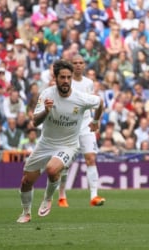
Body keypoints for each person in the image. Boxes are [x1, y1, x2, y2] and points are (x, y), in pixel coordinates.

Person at [16, 60, 104, 223]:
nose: (65, 81)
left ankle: (48, 198)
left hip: (68, 145)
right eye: (62, 77)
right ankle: (26, 212)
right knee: (26, 182)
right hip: (45, 144)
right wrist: (46, 111)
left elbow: (100, 102)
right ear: (55, 78)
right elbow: (35, 122)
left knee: (52, 169)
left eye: (68, 77)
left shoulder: (81, 98)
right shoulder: (47, 95)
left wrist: (96, 121)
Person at [56, 55, 106, 208]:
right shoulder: (65, 82)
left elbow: (93, 104)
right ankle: (62, 196)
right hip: (69, 125)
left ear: (84, 65)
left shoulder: (88, 83)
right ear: (70, 65)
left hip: (85, 124)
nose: (78, 65)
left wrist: (95, 121)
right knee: (65, 164)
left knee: (90, 158)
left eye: (80, 63)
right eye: (75, 63)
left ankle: (94, 196)